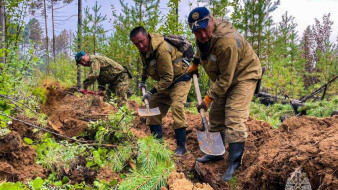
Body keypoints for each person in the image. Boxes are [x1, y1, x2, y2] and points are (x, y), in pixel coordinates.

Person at [187, 7, 262, 181]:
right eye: (197, 32)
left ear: (211, 20)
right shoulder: (203, 35)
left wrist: (207, 99)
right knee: (216, 115)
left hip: (244, 74)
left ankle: (234, 165)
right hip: (225, 76)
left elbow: (226, 80)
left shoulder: (227, 42)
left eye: (205, 29)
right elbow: (202, 47)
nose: (203, 35)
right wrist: (195, 62)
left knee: (234, 115)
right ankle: (216, 153)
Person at [130, 26, 192, 155]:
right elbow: (146, 67)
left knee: (176, 107)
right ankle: (158, 146)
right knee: (152, 109)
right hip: (165, 83)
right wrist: (143, 80)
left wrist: (151, 91)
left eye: (142, 41)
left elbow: (168, 77)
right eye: (137, 44)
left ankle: (182, 147)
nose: (140, 46)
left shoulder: (161, 49)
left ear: (147, 36)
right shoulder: (145, 51)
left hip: (180, 80)